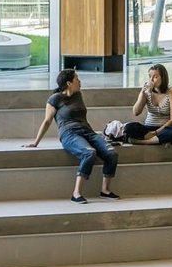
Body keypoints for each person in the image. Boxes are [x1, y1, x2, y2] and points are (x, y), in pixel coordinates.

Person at [25, 69, 119, 203]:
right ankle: (76, 193)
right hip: (69, 133)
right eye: (77, 79)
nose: (80, 81)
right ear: (69, 83)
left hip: (87, 131)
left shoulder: (78, 95)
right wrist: (36, 142)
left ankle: (105, 190)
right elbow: (47, 121)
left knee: (111, 154)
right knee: (89, 153)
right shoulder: (55, 99)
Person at [126, 64, 172, 145]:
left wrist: (155, 133)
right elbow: (136, 112)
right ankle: (156, 140)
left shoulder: (171, 93)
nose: (151, 80)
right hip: (148, 128)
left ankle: (144, 142)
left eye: (155, 77)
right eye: (149, 76)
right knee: (129, 127)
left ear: (163, 78)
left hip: (164, 128)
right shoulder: (147, 91)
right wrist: (142, 93)